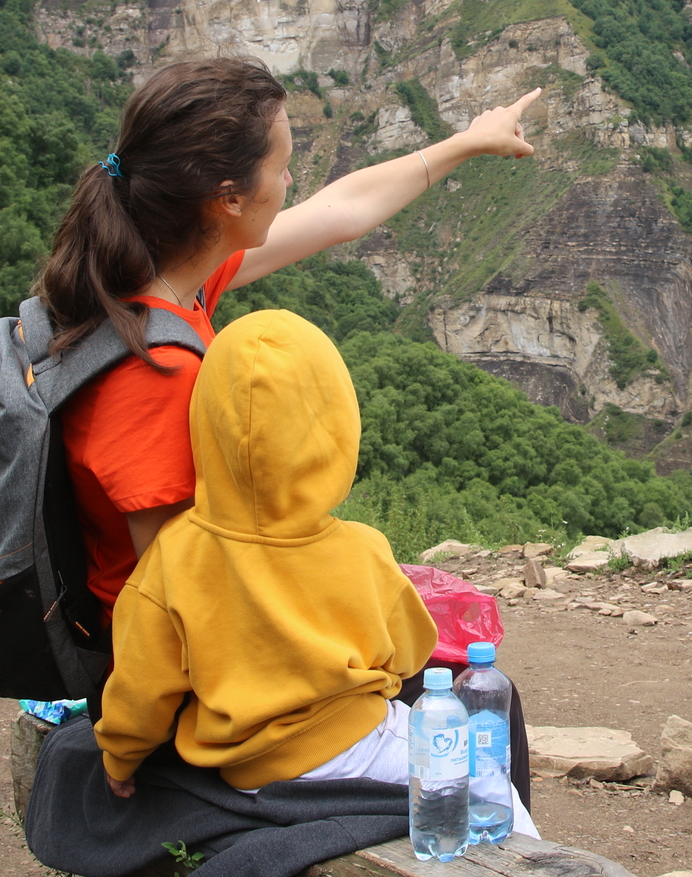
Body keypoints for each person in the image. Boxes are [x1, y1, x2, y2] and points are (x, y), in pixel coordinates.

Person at [35, 57, 540, 626]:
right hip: (160, 657)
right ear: (228, 199)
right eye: (283, 169)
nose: (292, 184)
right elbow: (174, 590)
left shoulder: (164, 279)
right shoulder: (154, 371)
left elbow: (341, 211)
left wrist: (468, 143)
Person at [92, 308, 436, 794]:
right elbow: (411, 650)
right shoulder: (361, 549)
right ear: (335, 427)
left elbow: (141, 683)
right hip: (365, 745)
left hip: (247, 772)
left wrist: (120, 758)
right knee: (490, 786)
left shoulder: (174, 554)